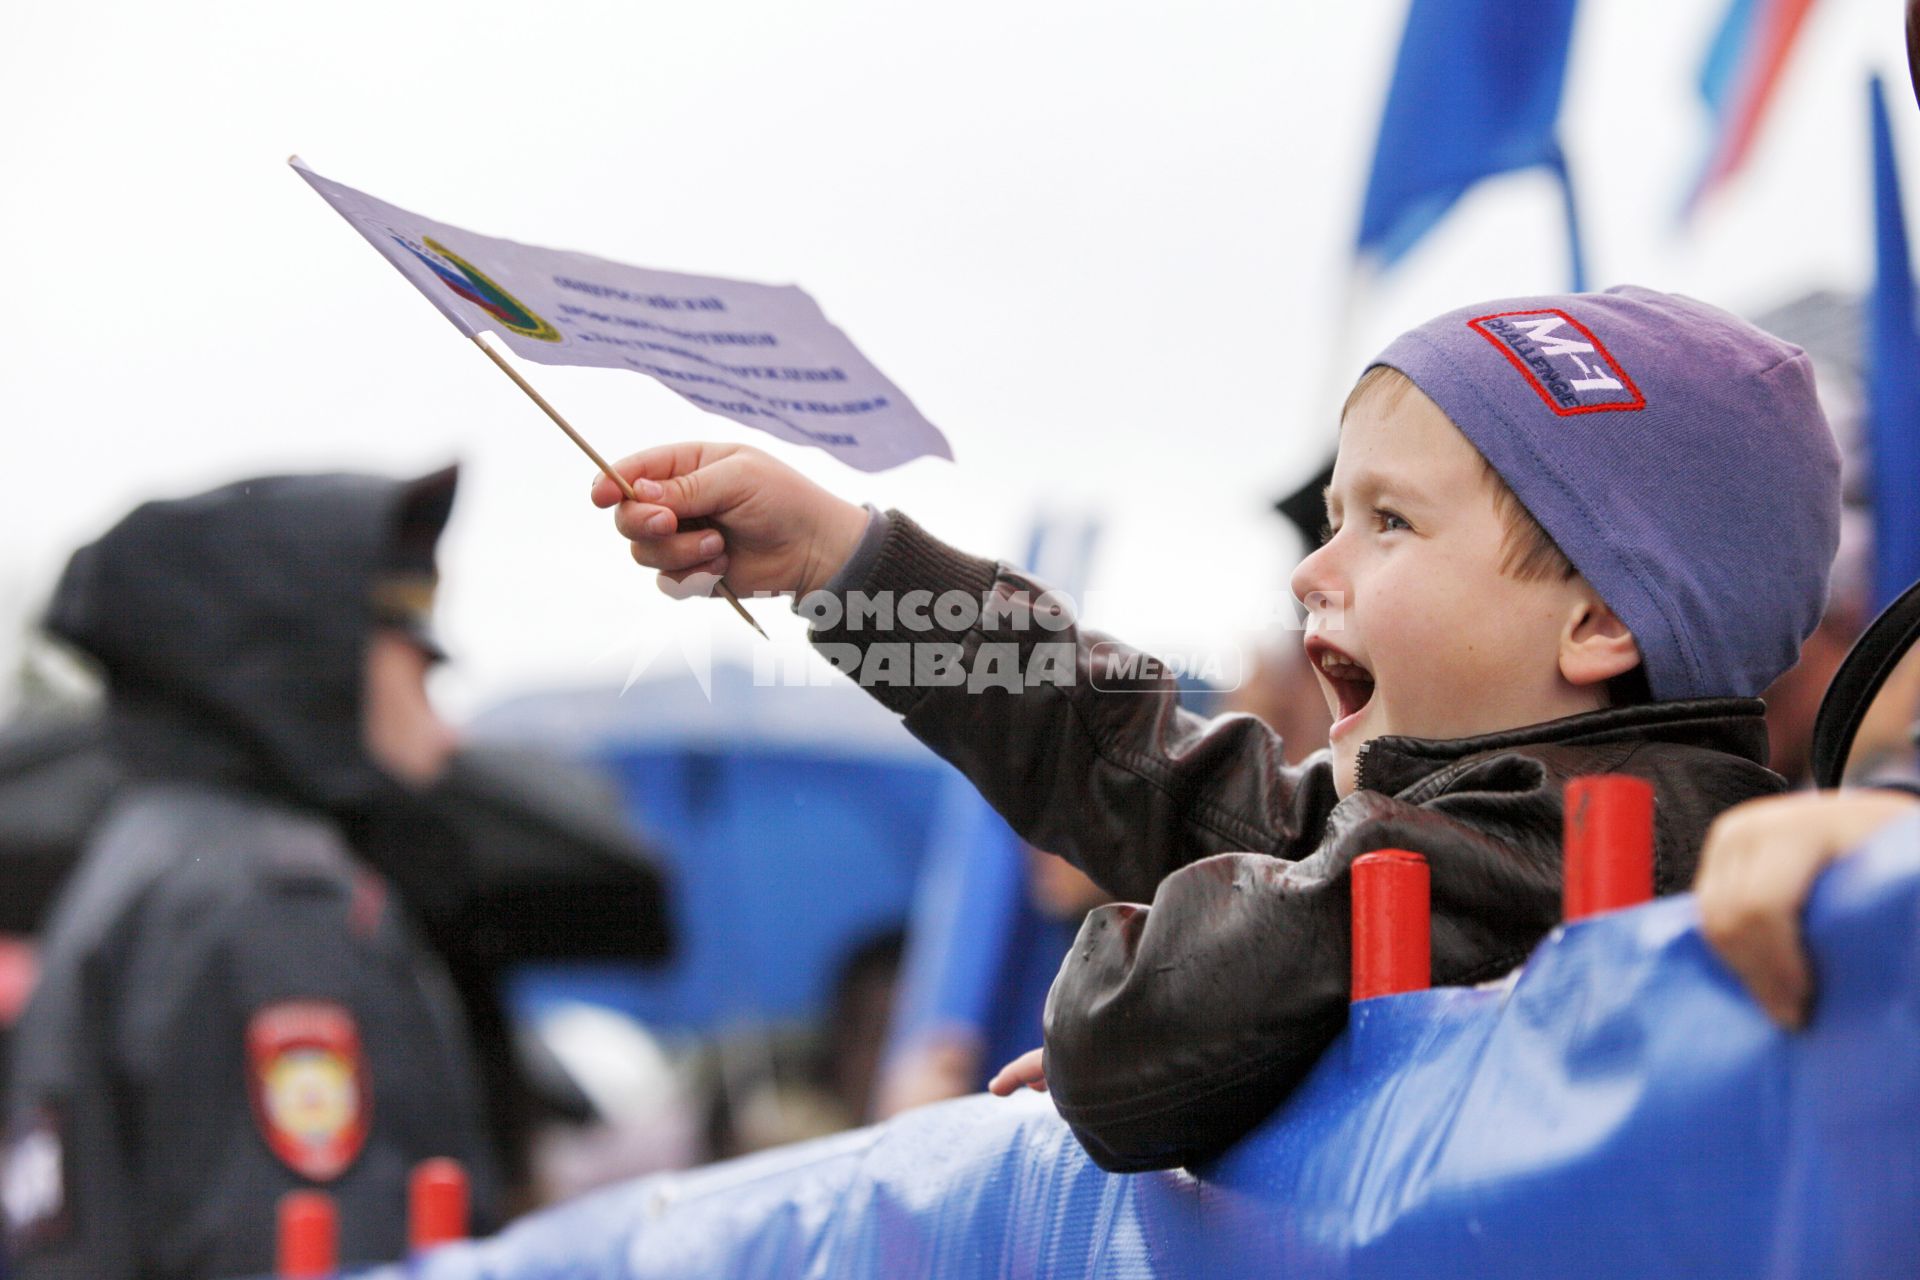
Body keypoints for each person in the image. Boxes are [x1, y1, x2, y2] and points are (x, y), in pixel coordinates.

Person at [592, 285, 1840, 1171]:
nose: (1314, 571)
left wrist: (1148, 1031)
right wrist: (845, 561)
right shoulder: (1484, 816)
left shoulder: (1586, 844)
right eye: (1334, 515)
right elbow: (1138, 763)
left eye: (1390, 523)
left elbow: (1153, 1027)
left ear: (1600, 621)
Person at [3, 469, 500, 1276]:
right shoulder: (274, 899)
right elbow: (321, 1251)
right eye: (419, 665)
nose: (450, 734)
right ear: (316, 660)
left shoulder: (147, 857)